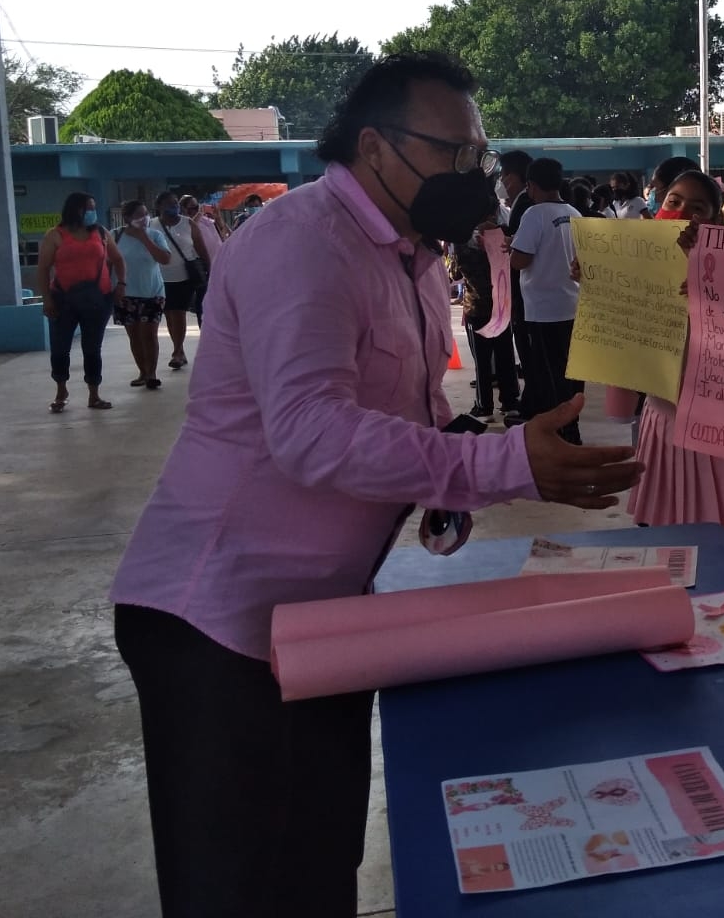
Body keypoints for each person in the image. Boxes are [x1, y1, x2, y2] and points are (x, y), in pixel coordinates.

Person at [109, 52, 643, 918]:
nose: (473, 175)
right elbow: (311, 433)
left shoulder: (415, 260)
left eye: (481, 156)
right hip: (217, 625)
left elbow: (411, 417)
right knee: (236, 886)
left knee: (318, 868)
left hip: (329, 619)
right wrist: (501, 466)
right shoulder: (303, 241)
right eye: (454, 153)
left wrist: (451, 487)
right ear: (377, 146)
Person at [623, 170, 724, 529]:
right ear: (658, 205)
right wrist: (595, 278)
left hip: (714, 426)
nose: (681, 214)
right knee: (661, 526)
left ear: (714, 219)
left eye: (697, 209)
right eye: (673, 203)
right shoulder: (636, 262)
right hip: (661, 422)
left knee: (717, 528)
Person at [509, 157, 584, 443]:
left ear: (531, 185)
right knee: (572, 369)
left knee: (550, 372)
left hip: (543, 308)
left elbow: (520, 260)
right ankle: (572, 423)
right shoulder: (574, 212)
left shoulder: (534, 214)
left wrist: (512, 250)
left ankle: (563, 430)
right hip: (572, 303)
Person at [36, 192, 126, 413]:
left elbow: (118, 259)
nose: (91, 212)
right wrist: (46, 299)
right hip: (63, 300)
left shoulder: (102, 233)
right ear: (74, 209)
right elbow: (43, 269)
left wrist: (121, 284)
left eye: (93, 207)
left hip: (97, 299)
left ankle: (94, 394)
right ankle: (61, 390)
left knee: (92, 349)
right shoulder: (55, 235)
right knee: (60, 349)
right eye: (87, 207)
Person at [456, 212, 520, 420]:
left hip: (477, 309)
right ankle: (510, 401)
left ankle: (484, 405)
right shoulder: (503, 243)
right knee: (505, 356)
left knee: (482, 360)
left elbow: (457, 272)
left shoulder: (465, 249)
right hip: (501, 306)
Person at [114, 200, 174, 390]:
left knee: (149, 334)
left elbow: (165, 259)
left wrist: (144, 238)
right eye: (139, 215)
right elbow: (108, 262)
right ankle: (142, 371)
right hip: (126, 293)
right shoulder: (115, 236)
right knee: (135, 336)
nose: (144, 218)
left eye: (146, 214)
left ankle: (151, 374)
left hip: (152, 292)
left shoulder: (155, 235)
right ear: (127, 218)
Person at [153, 189, 209, 371]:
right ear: (159, 206)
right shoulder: (152, 225)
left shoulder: (188, 224)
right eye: (169, 204)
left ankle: (177, 351)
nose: (174, 206)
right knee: (169, 314)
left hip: (184, 276)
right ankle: (179, 348)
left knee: (178, 313)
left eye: (176, 203)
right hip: (161, 278)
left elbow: (201, 249)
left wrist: (211, 269)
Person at [499, 149, 535, 411]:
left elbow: (521, 251)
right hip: (534, 292)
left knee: (527, 345)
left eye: (504, 175)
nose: (502, 181)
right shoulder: (523, 204)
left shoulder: (527, 206)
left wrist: (501, 236)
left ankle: (532, 400)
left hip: (526, 291)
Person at [180, 195, 225, 323]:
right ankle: (204, 324)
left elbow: (221, 232)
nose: (195, 209)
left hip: (217, 263)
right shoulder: (184, 222)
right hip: (202, 265)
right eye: (192, 207)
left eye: (197, 206)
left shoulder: (206, 220)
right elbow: (189, 229)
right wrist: (199, 213)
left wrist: (217, 216)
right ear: (183, 209)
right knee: (203, 298)